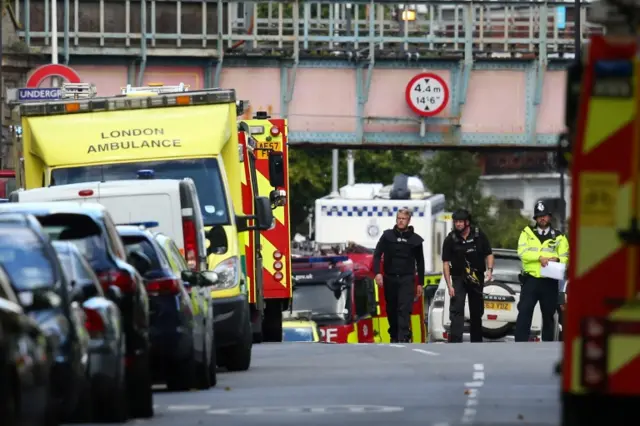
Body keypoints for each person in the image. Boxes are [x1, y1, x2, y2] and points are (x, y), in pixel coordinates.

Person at [514, 201, 569, 342]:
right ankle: (519, 344)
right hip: (531, 280)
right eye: (539, 216)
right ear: (535, 218)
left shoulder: (559, 236)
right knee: (524, 313)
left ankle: (548, 345)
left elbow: (566, 257)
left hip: (549, 281)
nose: (542, 219)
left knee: (549, 316)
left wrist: (556, 259)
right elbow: (522, 253)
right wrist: (540, 258)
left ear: (549, 217)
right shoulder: (526, 233)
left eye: (544, 216)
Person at [372, 207, 425, 343]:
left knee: (404, 308)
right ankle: (394, 334)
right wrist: (377, 273)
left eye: (404, 219)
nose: (401, 221)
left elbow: (420, 262)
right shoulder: (387, 236)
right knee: (391, 308)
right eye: (399, 218)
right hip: (389, 277)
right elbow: (377, 255)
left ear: (409, 220)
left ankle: (404, 335)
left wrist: (420, 283)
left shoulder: (415, 240)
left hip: (407, 278)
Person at [441, 209, 494, 343]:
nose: (458, 224)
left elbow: (489, 253)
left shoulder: (478, 235)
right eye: (456, 222)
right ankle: (455, 342)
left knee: (476, 311)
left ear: (467, 222)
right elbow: (446, 263)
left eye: (460, 222)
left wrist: (490, 270)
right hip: (458, 278)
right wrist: (449, 285)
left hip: (476, 277)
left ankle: (476, 342)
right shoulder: (450, 239)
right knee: (456, 310)